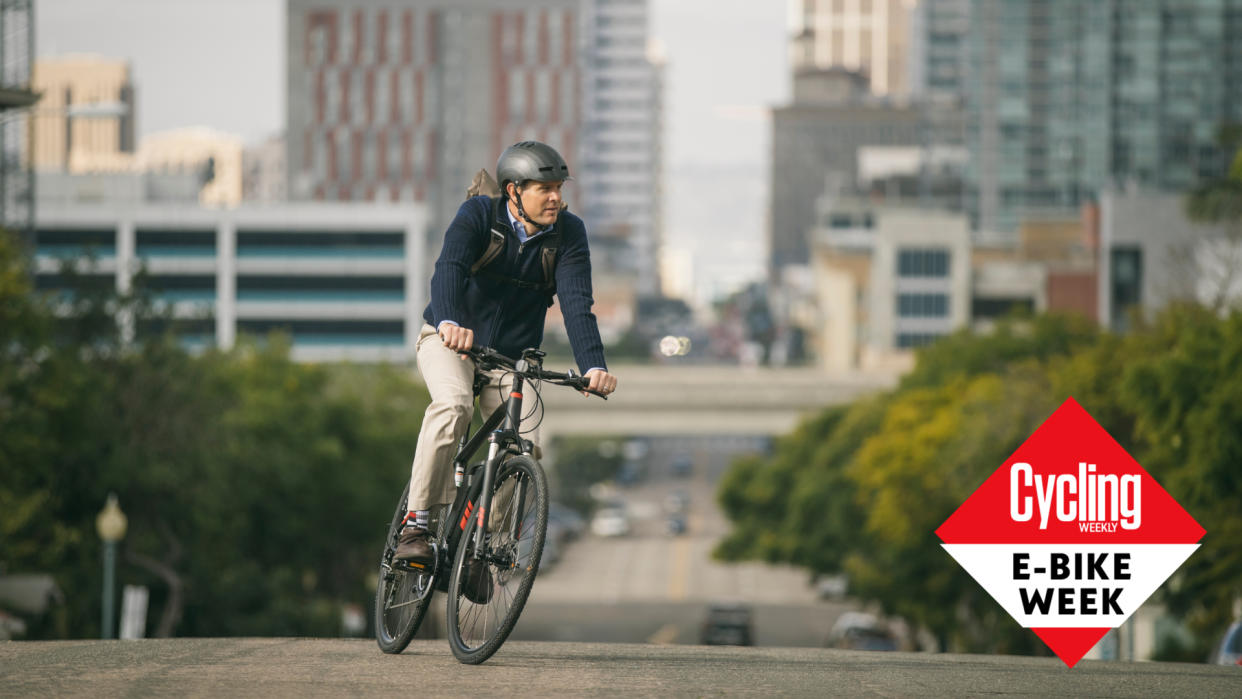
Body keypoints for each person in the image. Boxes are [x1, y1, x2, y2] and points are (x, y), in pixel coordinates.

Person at [395, 141, 618, 563]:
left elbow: (576, 305)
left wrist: (593, 366)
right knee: (453, 406)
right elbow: (449, 270)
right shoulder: (478, 215)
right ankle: (417, 523)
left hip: (512, 361)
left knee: (526, 445)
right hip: (449, 341)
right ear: (514, 191)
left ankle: (483, 548)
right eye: (544, 188)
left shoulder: (569, 234)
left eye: (559, 188)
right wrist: (449, 321)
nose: (556, 197)